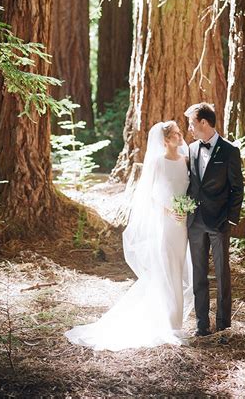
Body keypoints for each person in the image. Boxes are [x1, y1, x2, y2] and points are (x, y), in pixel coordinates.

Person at [65, 121, 193, 351]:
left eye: (180, 132)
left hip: (182, 225)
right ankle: (170, 325)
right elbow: (149, 196)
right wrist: (169, 210)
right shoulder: (157, 163)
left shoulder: (186, 161)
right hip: (165, 223)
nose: (180, 136)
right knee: (167, 270)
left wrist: (185, 209)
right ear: (165, 140)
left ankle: (176, 323)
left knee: (180, 268)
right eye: (175, 134)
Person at [184, 102, 244, 341]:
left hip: (219, 222)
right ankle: (201, 324)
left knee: (221, 273)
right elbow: (190, 183)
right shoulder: (191, 149)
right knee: (198, 273)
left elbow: (237, 189)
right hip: (195, 222)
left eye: (192, 123)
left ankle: (223, 325)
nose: (189, 128)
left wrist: (230, 220)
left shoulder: (229, 151)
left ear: (204, 123)